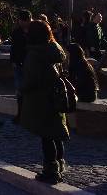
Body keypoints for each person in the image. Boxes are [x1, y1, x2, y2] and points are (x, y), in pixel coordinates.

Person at [19, 20, 69, 184]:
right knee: (57, 133)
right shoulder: (55, 49)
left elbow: (31, 80)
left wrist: (22, 89)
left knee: (46, 136)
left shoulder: (35, 54)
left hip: (41, 100)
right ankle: (60, 165)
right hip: (56, 97)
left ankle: (51, 170)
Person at [10, 9, 32, 122]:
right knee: (19, 90)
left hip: (31, 64)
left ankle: (30, 114)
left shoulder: (35, 31)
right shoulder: (16, 32)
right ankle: (20, 114)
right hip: (19, 63)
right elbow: (13, 48)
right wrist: (13, 61)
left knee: (31, 90)